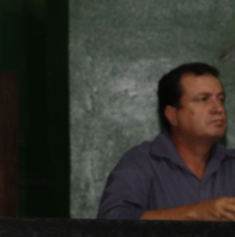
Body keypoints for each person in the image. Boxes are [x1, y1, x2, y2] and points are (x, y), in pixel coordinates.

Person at [97, 62, 235, 220]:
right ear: (172, 115)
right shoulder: (142, 161)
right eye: (203, 99)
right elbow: (110, 220)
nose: (218, 109)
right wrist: (195, 213)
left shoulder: (231, 164)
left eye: (221, 99)